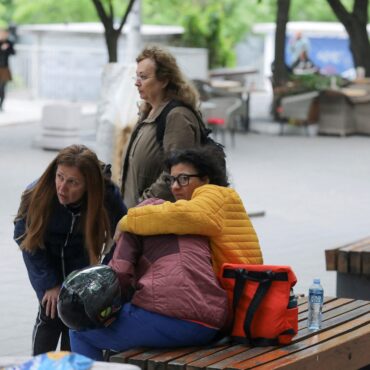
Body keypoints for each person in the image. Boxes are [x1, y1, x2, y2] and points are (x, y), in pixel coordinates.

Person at [69, 154, 229, 361]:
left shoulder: (136, 218)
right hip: (212, 322)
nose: (175, 186)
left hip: (172, 319)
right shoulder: (194, 221)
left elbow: (119, 277)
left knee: (81, 331)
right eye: (172, 180)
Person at [13, 144, 127, 356]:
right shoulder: (37, 193)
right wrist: (48, 284)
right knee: (50, 313)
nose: (62, 188)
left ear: (88, 185)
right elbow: (24, 238)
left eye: (72, 182)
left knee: (76, 319)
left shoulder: (106, 194)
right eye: (60, 177)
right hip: (46, 256)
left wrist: (104, 274)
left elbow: (124, 235)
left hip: (82, 259)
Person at [117, 145, 263, 277]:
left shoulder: (215, 194)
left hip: (241, 292)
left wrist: (128, 220)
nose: (174, 186)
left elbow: (181, 215)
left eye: (183, 178)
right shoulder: (211, 200)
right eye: (172, 180)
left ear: (205, 180)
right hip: (239, 285)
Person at [121, 45, 203, 208]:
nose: (137, 83)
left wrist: (143, 205)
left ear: (164, 80)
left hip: (156, 223)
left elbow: (175, 176)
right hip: (138, 221)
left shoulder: (176, 116)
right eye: (136, 77)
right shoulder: (148, 112)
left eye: (143, 77)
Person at [0, 28, 15, 111]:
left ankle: (1, 105)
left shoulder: (9, 43)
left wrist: (7, 48)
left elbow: (13, 53)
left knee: (2, 88)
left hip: (5, 68)